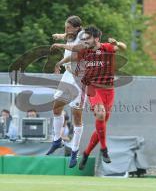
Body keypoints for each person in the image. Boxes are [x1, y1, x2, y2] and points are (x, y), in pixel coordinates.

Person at [53, 26, 127, 170]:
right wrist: (60, 63)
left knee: (102, 124)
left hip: (109, 90)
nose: (85, 39)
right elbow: (72, 56)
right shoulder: (84, 50)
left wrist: (117, 43)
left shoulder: (106, 47)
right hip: (93, 89)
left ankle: (86, 153)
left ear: (96, 39)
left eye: (88, 37)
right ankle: (104, 150)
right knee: (100, 114)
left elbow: (123, 48)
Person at [46, 16, 85, 168]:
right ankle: (57, 140)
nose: (66, 30)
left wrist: (60, 45)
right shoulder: (71, 34)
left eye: (68, 27)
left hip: (79, 78)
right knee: (56, 107)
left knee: (77, 117)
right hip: (68, 74)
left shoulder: (83, 36)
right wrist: (60, 36)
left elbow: (76, 51)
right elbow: (67, 38)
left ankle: (75, 151)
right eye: (65, 27)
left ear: (77, 28)